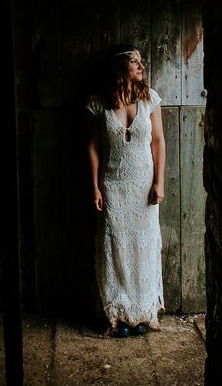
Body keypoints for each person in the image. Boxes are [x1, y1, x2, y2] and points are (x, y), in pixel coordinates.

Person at [86, 43, 166, 338]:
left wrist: (159, 182)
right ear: (121, 67)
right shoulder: (98, 102)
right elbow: (93, 147)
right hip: (113, 186)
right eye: (135, 61)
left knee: (143, 247)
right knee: (114, 248)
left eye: (141, 61)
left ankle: (142, 312)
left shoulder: (150, 99)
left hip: (144, 185)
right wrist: (94, 186)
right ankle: (117, 315)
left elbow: (158, 141)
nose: (141, 65)